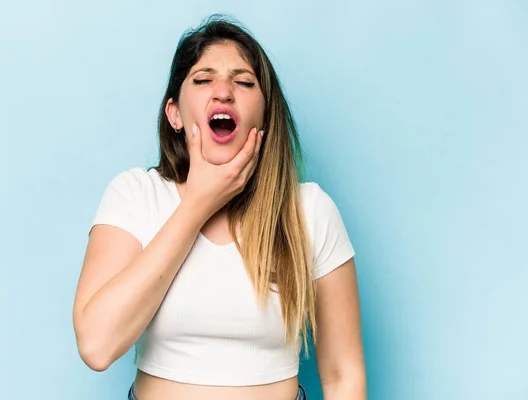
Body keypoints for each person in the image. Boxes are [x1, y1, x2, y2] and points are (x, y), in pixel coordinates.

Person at [72, 15, 367, 400]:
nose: (224, 92)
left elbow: (344, 376)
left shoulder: (309, 210)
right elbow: (96, 345)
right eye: (203, 79)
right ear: (174, 113)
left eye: (243, 82)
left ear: (265, 115)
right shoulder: (134, 195)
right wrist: (197, 204)